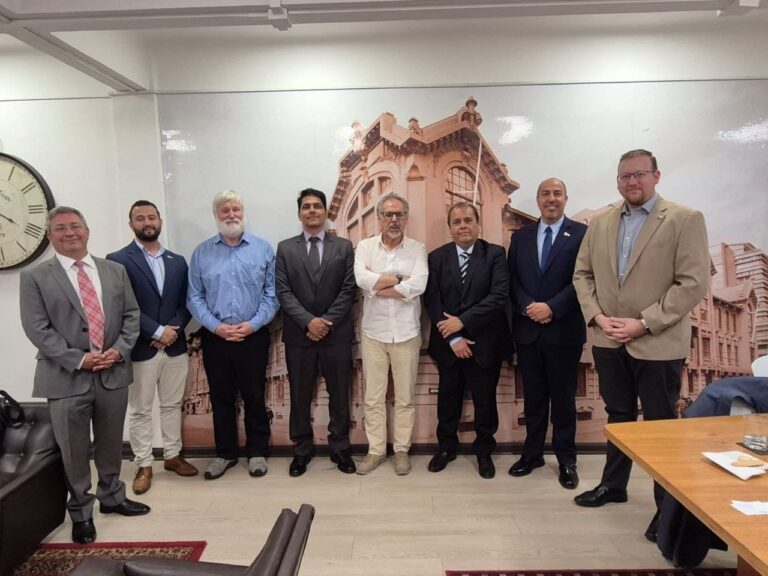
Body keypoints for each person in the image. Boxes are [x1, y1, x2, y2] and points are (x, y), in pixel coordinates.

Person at [572, 149, 710, 542]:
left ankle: (666, 511)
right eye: (624, 176)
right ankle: (613, 486)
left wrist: (644, 323)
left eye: (639, 174)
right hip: (608, 339)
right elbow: (582, 275)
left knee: (660, 426)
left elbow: (693, 282)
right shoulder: (600, 223)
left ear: (656, 176)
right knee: (618, 418)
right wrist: (598, 318)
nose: (631, 182)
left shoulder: (684, 218)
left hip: (658, 342)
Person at [20, 206, 149, 545]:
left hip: (112, 371)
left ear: (87, 231)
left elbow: (132, 315)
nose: (70, 233)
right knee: (74, 450)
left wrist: (118, 350)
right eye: (61, 228)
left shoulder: (115, 270)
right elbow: (37, 328)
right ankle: (80, 512)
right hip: (65, 376)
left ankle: (113, 497)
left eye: (75, 226)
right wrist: (79, 359)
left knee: (110, 442)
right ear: (50, 236)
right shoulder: (35, 276)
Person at [106, 200, 198, 495]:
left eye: (151, 217)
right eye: (140, 218)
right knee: (141, 410)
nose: (147, 222)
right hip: (140, 348)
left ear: (160, 221)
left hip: (175, 347)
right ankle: (144, 464)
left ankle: (172, 456)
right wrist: (157, 331)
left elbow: (187, 302)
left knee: (171, 405)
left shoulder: (177, 261)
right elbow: (122, 305)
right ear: (131, 224)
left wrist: (172, 331)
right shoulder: (117, 260)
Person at [187, 190, 279, 480]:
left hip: (253, 336)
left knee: (254, 396)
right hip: (216, 337)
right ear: (216, 215)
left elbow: (272, 295)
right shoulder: (202, 253)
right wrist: (216, 327)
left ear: (243, 212)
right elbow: (194, 297)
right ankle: (225, 454)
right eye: (225, 210)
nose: (231, 215)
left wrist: (252, 324)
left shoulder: (262, 249)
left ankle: (257, 452)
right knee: (221, 398)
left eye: (235, 209)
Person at [507, 178, 587, 489]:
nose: (551, 199)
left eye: (557, 194)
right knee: (534, 398)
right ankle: (532, 454)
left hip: (564, 330)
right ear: (538, 199)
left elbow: (584, 279)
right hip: (528, 331)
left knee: (564, 400)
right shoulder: (521, 237)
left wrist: (551, 307)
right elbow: (513, 279)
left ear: (566, 198)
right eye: (545, 194)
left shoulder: (581, 234)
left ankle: (566, 460)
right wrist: (528, 306)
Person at [424, 202, 509, 479]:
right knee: (448, 400)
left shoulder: (495, 254)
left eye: (468, 220)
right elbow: (432, 300)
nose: (463, 226)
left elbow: (498, 296)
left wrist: (462, 322)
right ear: (450, 227)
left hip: (485, 343)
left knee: (485, 401)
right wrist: (454, 336)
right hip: (448, 344)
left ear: (477, 223)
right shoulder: (437, 257)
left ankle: (484, 451)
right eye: (457, 221)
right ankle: (446, 448)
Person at [276, 188, 356, 476]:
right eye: (306, 206)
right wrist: (309, 321)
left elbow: (349, 289)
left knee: (339, 394)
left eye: (317, 206)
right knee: (299, 395)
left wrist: (325, 322)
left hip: (336, 335)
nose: (312, 210)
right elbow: (283, 291)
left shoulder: (344, 247)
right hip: (300, 336)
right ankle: (301, 450)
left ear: (326, 212)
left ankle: (340, 448)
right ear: (299, 213)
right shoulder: (285, 248)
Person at [353, 193, 428, 475]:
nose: (394, 220)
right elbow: (361, 279)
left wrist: (379, 285)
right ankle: (376, 451)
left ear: (406, 218)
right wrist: (399, 279)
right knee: (373, 397)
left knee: (405, 398)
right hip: (373, 333)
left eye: (399, 214)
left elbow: (418, 285)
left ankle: (401, 451)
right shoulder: (365, 247)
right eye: (388, 214)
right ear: (379, 218)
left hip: (407, 333)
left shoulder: (418, 249)